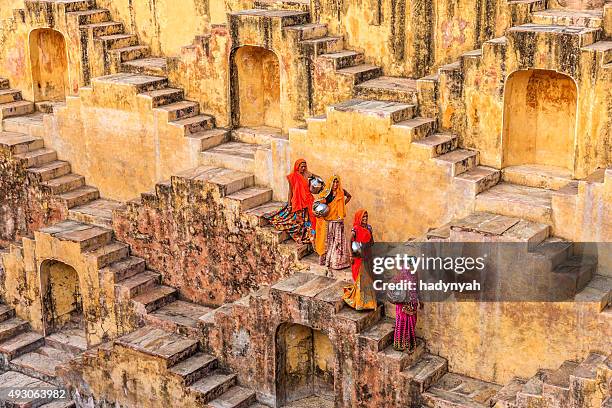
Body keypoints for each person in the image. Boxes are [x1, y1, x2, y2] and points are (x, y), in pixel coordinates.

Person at [265, 159, 317, 244]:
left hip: (307, 201)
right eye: (302, 166)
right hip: (298, 201)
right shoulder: (292, 177)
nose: (303, 168)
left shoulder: (307, 174)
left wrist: (320, 182)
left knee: (309, 221)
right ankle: (298, 236)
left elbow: (317, 177)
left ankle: (309, 236)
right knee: (296, 221)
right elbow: (291, 191)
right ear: (297, 166)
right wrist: (289, 204)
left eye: (305, 166)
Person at [314, 175, 352, 270]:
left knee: (338, 242)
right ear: (331, 183)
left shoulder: (341, 192)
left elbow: (349, 196)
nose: (335, 184)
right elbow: (317, 204)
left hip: (338, 221)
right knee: (328, 242)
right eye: (334, 182)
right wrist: (317, 212)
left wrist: (342, 205)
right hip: (329, 221)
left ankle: (337, 262)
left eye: (337, 182)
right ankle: (327, 260)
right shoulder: (327, 193)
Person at [342, 209, 377, 310]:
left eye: (366, 217)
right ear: (359, 218)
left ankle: (369, 302)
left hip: (367, 255)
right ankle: (360, 303)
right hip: (358, 257)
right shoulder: (355, 229)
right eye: (363, 217)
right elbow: (349, 241)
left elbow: (372, 241)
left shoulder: (369, 228)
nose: (365, 219)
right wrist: (351, 255)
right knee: (360, 279)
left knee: (368, 278)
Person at [391, 267, 422, 353]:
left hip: (413, 303)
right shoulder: (400, 272)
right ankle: (400, 344)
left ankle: (409, 342)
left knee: (412, 322)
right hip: (403, 303)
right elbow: (394, 286)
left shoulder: (415, 273)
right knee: (402, 322)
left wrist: (421, 300)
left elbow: (418, 287)